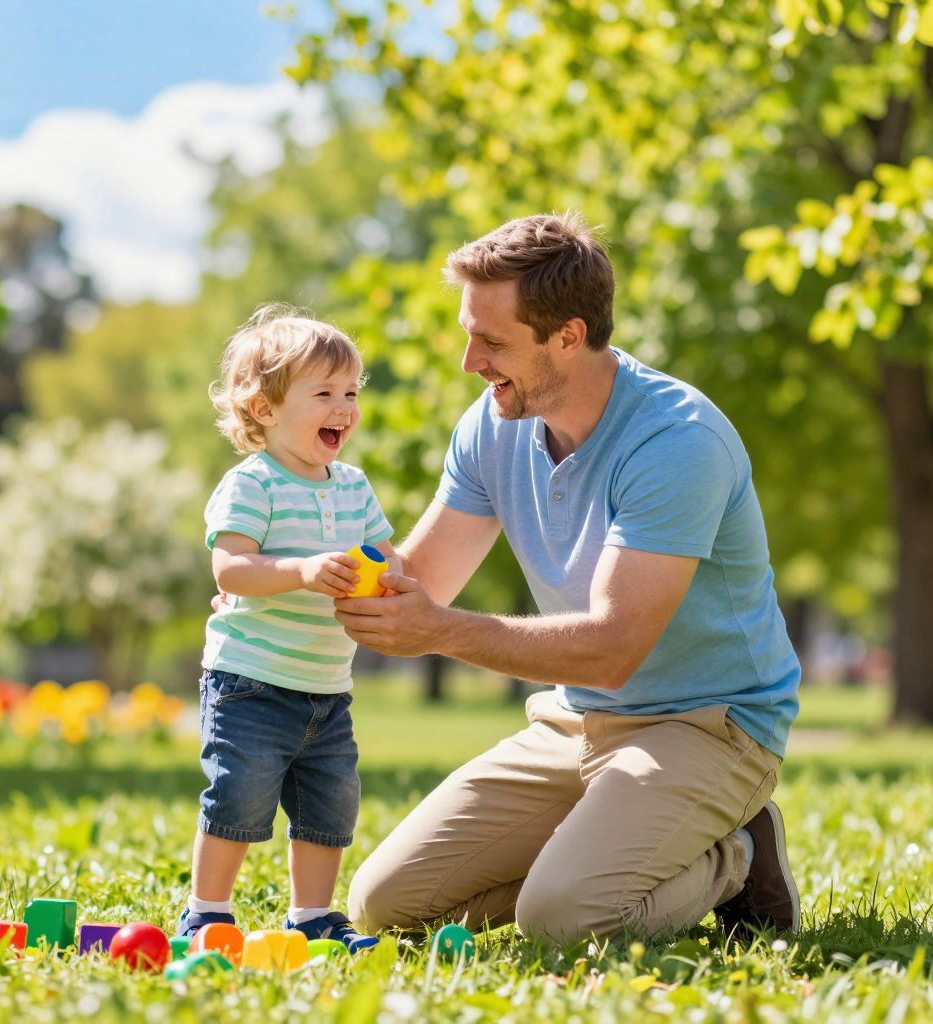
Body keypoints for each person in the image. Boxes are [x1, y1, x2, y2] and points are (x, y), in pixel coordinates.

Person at [333, 212, 802, 943]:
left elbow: (614, 648)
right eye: (468, 333)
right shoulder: (494, 423)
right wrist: (300, 558)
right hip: (573, 721)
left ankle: (735, 855)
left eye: (491, 342)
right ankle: (601, 853)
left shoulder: (677, 443)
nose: (469, 361)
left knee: (563, 920)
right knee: (383, 905)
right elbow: (419, 579)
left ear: (569, 336)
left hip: (707, 725)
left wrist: (439, 631)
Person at [177, 305, 399, 952]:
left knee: (330, 807)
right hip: (252, 682)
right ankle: (208, 911)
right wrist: (301, 570)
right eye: (324, 393)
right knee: (238, 797)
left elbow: (388, 553)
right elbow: (232, 570)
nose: (344, 407)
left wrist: (391, 578)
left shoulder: (353, 487)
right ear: (265, 409)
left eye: (352, 392)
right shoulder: (252, 485)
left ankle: (312, 917)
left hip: (327, 688)